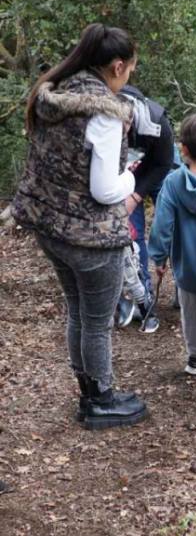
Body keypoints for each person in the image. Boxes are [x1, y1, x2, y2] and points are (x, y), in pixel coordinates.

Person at [12, 23, 147, 429]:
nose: (129, 78)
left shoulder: (57, 93)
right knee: (97, 321)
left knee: (77, 310)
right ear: (118, 66)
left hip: (49, 225)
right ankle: (101, 400)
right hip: (88, 236)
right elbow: (106, 189)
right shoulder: (103, 113)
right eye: (130, 70)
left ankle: (88, 390)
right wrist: (132, 176)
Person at [148, 114, 196, 389]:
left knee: (191, 314)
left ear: (182, 149)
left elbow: (161, 226)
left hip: (187, 267)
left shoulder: (172, 183)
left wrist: (158, 258)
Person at [119, 84, 177, 298]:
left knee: (173, 221)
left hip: (160, 163)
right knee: (133, 229)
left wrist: (136, 195)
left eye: (124, 126)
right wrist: (128, 198)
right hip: (127, 171)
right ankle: (143, 294)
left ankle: (186, 286)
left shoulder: (157, 121)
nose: (121, 130)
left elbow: (162, 162)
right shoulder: (99, 125)